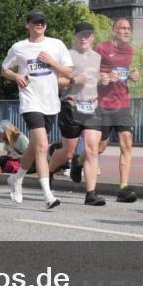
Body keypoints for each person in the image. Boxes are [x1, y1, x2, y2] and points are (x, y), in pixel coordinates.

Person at [1, 9, 73, 209]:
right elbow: (4, 69)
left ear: (46, 25)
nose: (39, 25)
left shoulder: (56, 45)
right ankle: (48, 195)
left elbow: (69, 72)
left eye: (42, 22)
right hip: (30, 101)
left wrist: (52, 62)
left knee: (34, 146)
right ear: (28, 25)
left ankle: (17, 178)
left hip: (50, 103)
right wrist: (16, 76)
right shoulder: (19, 47)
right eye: (35, 22)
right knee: (42, 146)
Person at [46, 22, 106, 206]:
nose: (84, 38)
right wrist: (74, 80)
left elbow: (97, 80)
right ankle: (47, 172)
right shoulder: (68, 56)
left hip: (92, 107)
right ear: (76, 36)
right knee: (68, 152)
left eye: (88, 34)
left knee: (91, 150)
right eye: (81, 34)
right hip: (71, 106)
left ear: (93, 37)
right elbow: (55, 80)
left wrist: (104, 80)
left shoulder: (97, 57)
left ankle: (91, 194)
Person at [96, 18, 141, 203]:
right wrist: (104, 77)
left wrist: (132, 76)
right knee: (101, 146)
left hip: (123, 103)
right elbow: (90, 72)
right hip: (103, 104)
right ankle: (79, 161)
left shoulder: (130, 51)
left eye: (128, 28)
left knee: (127, 144)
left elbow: (125, 73)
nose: (126, 31)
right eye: (122, 28)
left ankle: (123, 188)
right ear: (114, 31)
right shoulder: (102, 49)